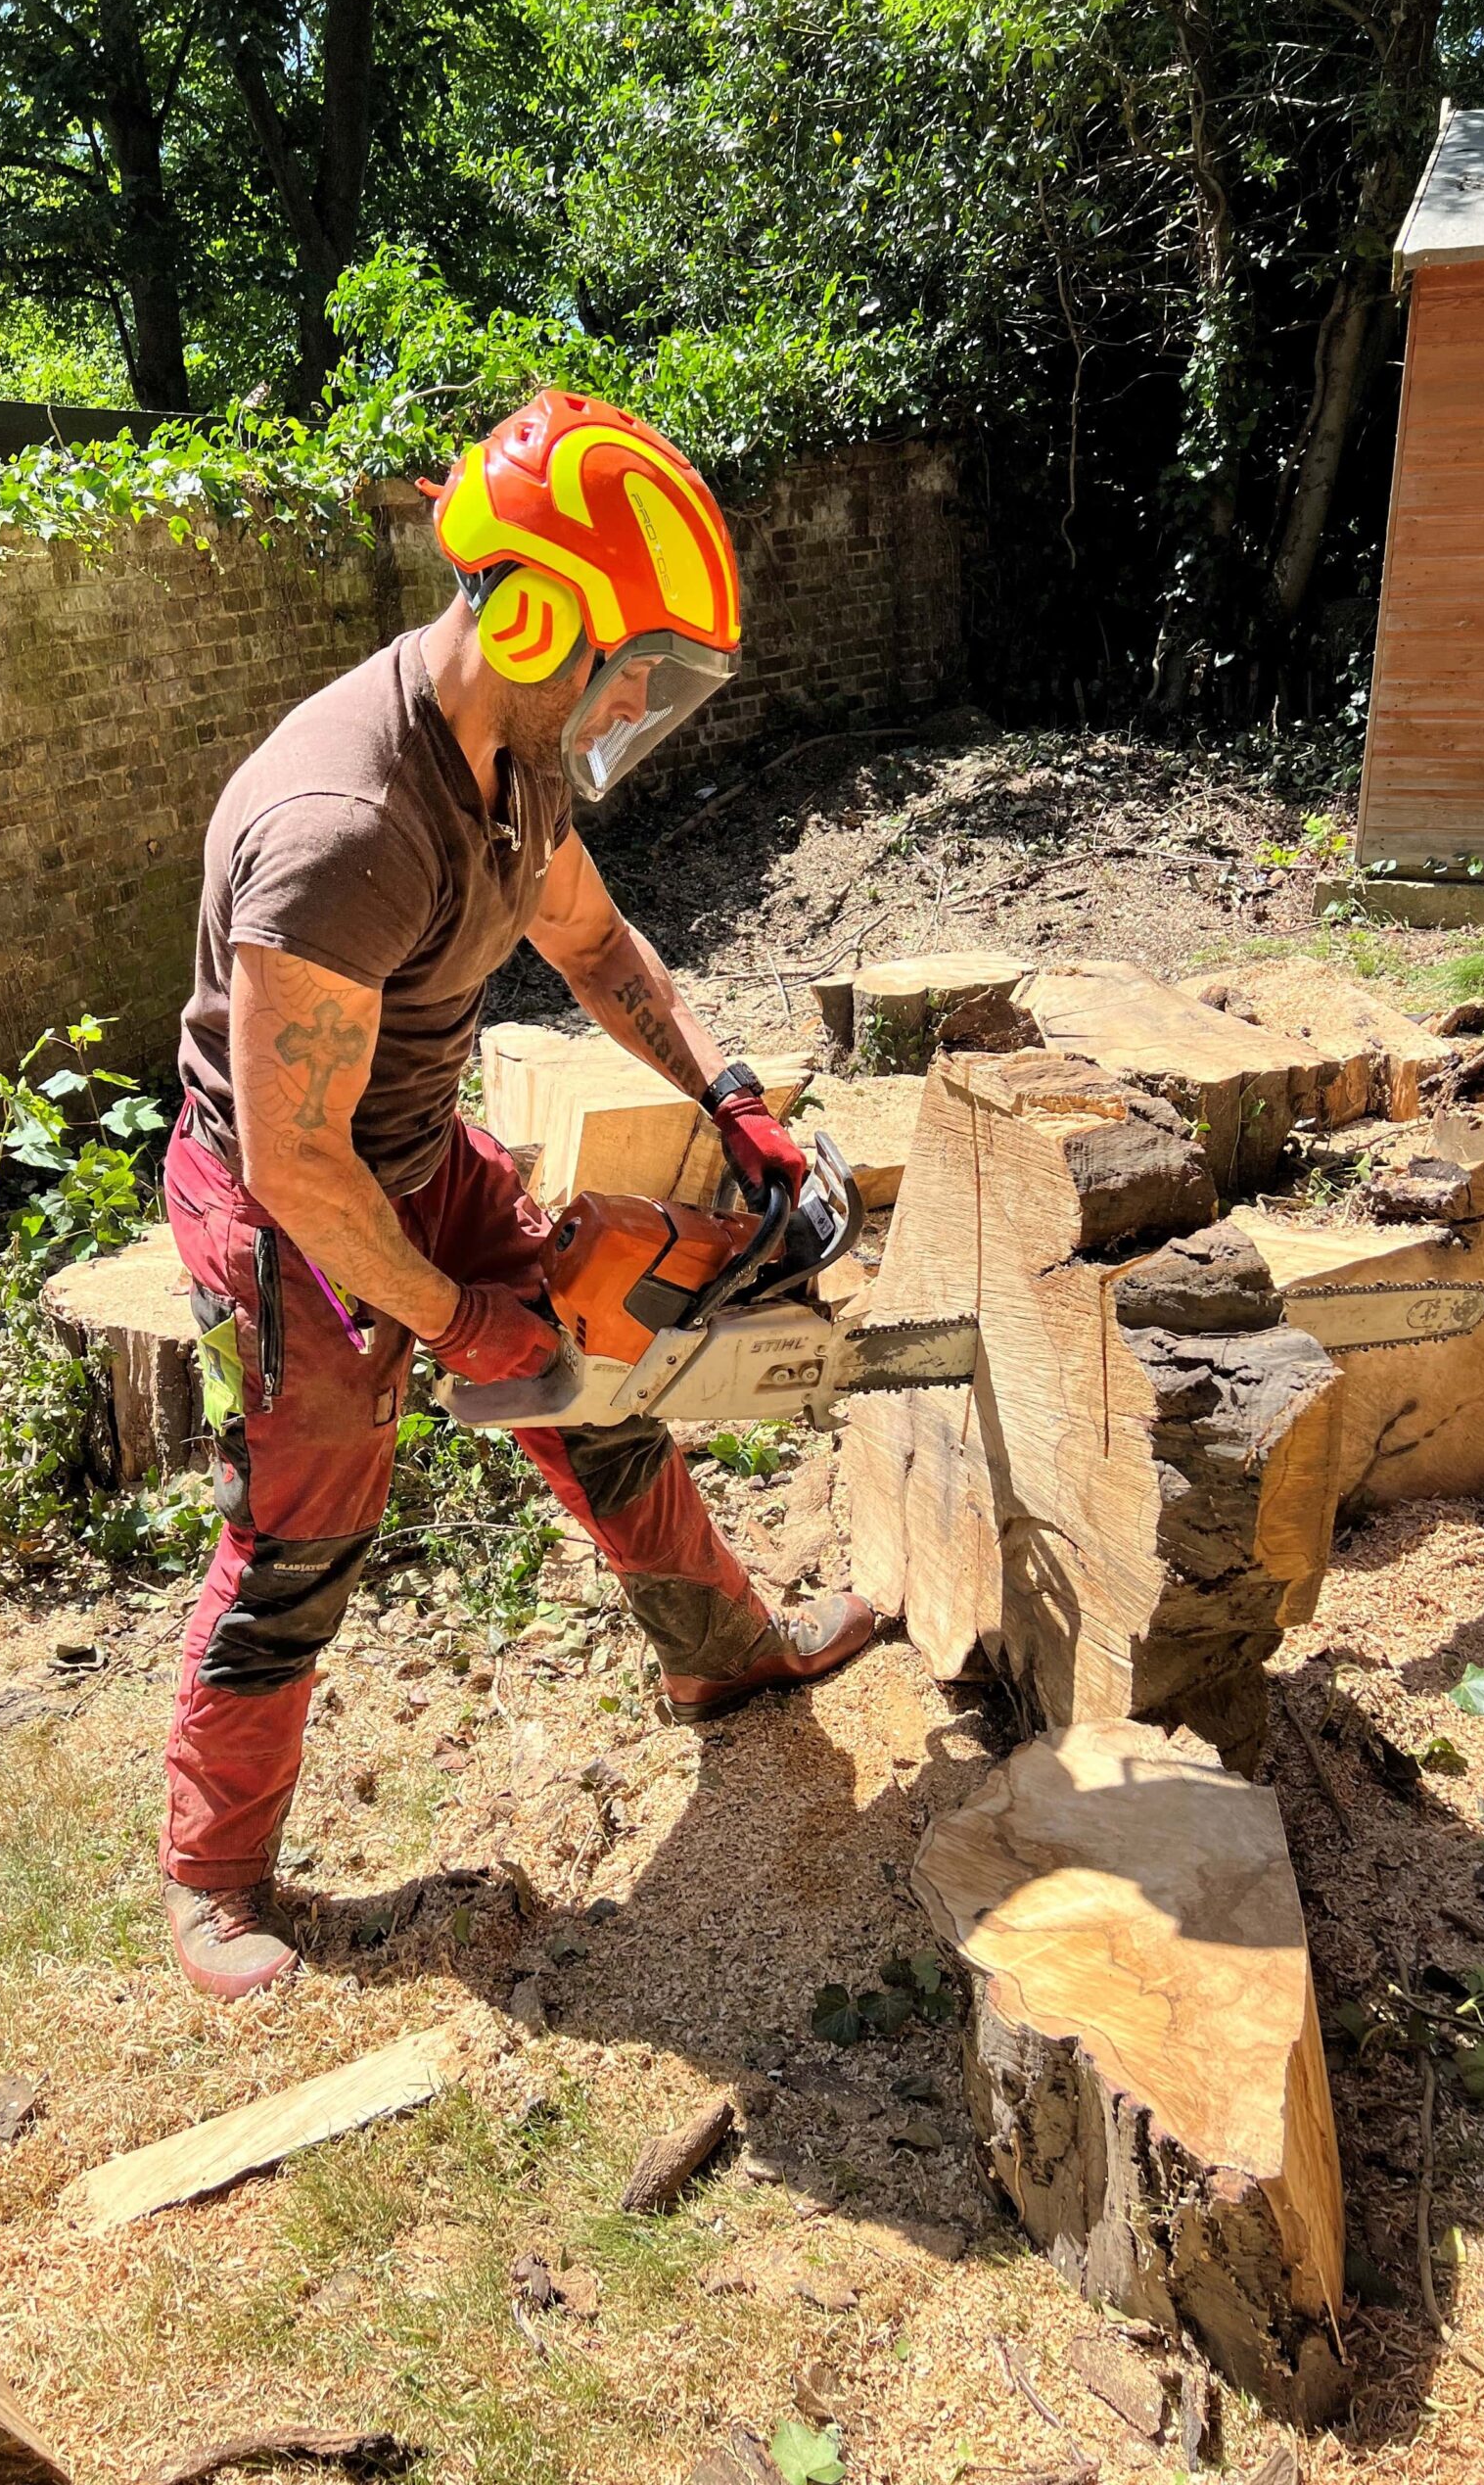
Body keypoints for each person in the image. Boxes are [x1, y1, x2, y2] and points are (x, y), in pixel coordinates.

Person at [161, 388, 874, 1998]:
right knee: (298, 1535)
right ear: (545, 616)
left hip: (410, 1151)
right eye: (638, 668)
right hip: (291, 1222)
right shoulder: (346, 825)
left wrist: (734, 1099)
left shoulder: (521, 757)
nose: (644, 700)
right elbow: (292, 1161)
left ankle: (724, 1658)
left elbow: (597, 948)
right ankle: (215, 1878)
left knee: (602, 1378)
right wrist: (456, 1317)